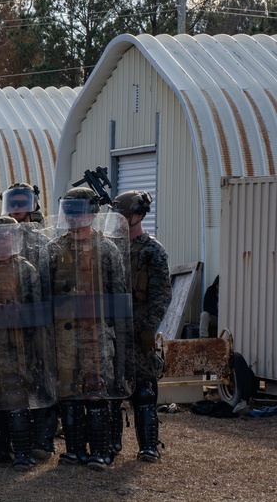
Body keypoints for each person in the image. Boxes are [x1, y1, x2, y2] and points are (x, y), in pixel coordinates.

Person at [44, 187, 130, 472]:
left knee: (96, 391)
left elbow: (119, 298)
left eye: (78, 211)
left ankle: (101, 452)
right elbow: (45, 298)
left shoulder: (107, 250)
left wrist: (123, 341)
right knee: (68, 394)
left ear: (93, 213)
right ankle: (74, 450)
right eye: (68, 211)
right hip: (64, 336)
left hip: (96, 334)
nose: (73, 217)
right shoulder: (54, 250)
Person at [0, 217, 52, 472]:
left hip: (17, 348)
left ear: (15, 239)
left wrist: (1, 310)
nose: (1, 241)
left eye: (6, 236)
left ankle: (23, 452)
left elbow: (34, 314)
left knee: (16, 399)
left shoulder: (26, 270)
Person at [112, 190, 171, 463]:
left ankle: (149, 446)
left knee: (144, 392)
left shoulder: (152, 251)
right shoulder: (111, 248)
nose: (121, 220)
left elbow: (161, 294)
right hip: (112, 329)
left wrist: (149, 328)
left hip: (138, 331)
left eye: (125, 215)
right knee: (110, 390)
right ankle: (108, 446)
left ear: (138, 215)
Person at [0, 182, 57, 460]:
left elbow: (50, 282)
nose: (17, 209)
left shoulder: (41, 240)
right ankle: (10, 439)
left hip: (37, 322)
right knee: (9, 379)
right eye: (13, 203)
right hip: (6, 323)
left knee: (40, 379)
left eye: (23, 203)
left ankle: (43, 441)